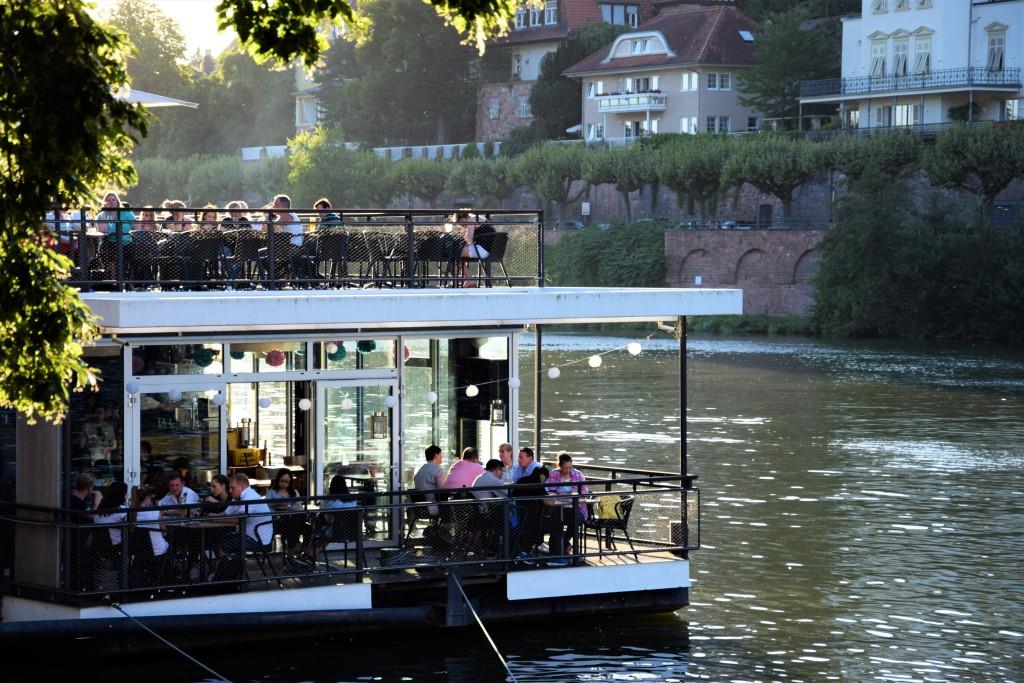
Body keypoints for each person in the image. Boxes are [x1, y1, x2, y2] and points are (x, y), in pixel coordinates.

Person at [546, 453, 590, 556]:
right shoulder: (553, 474)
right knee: (556, 522)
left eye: (570, 467)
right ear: (559, 466)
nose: (568, 470)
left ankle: (564, 543)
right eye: (565, 468)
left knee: (575, 519)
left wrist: (576, 495)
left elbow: (585, 492)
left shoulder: (578, 474)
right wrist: (554, 496)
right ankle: (556, 550)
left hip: (576, 507)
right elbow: (547, 490)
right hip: (557, 507)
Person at [221, 473, 273, 554]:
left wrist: (211, 519)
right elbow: (226, 514)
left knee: (220, 543)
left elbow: (237, 520)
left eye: (232, 488)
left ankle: (226, 565)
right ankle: (232, 564)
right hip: (247, 536)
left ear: (241, 487)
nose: (230, 491)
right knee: (220, 539)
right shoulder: (237, 497)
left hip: (258, 540)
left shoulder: (250, 497)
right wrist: (210, 516)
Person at [266, 467, 307, 558]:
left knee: (307, 527)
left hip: (293, 519)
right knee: (295, 525)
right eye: (282, 481)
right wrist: (277, 504)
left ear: (290, 482)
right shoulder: (272, 492)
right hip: (279, 520)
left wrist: (292, 507)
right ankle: (293, 550)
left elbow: (299, 507)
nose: (284, 484)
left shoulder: (294, 492)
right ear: (278, 480)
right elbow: (265, 506)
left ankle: (305, 552)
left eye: (286, 482)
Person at [94, 481, 129, 561]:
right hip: (116, 547)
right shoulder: (123, 511)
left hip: (99, 547)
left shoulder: (97, 510)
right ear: (122, 495)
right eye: (126, 493)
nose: (127, 495)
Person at [413, 445, 447, 516]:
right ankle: (447, 526)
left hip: (419, 508)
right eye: (441, 455)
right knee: (456, 506)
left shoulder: (420, 470)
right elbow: (443, 490)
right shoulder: (437, 469)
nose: (442, 457)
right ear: (436, 455)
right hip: (433, 507)